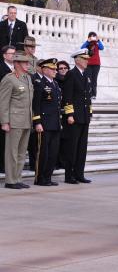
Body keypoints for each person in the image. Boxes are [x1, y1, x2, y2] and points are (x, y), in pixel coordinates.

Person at [0, 54, 33, 189]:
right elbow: (3, 102)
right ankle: (10, 180)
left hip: (26, 120)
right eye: (25, 63)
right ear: (17, 64)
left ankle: (17, 178)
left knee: (21, 152)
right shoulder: (9, 79)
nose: (27, 65)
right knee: (11, 152)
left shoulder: (28, 79)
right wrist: (4, 121)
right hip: (14, 120)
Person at [62, 49, 92, 184]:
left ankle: (79, 173)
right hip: (74, 117)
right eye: (84, 59)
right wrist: (70, 114)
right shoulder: (71, 74)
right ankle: (69, 175)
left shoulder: (85, 75)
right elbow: (67, 96)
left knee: (82, 148)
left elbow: (88, 97)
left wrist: (89, 113)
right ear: (77, 60)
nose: (87, 61)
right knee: (72, 147)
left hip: (84, 117)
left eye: (87, 59)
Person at [32, 58, 62, 186]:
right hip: (44, 123)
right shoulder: (39, 83)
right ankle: (40, 178)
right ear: (44, 69)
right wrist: (37, 122)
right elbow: (36, 105)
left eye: (56, 69)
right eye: (52, 69)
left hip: (55, 123)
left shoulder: (55, 84)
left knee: (53, 152)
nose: (55, 71)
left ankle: (48, 177)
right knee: (43, 152)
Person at [0, 46, 15, 173]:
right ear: (4, 55)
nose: (13, 56)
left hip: (15, 109)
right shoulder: (1, 68)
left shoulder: (16, 69)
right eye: (11, 53)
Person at [55, 60, 70, 170]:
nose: (63, 70)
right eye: (61, 68)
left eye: (65, 68)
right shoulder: (55, 81)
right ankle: (57, 162)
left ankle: (64, 162)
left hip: (68, 114)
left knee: (65, 140)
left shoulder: (70, 80)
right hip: (58, 114)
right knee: (57, 140)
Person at [81, 32, 104, 99]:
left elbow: (102, 48)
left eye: (94, 36)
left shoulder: (97, 44)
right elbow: (82, 48)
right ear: (89, 37)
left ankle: (94, 95)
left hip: (96, 64)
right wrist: (87, 41)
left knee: (94, 80)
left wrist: (98, 40)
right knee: (88, 79)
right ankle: (88, 93)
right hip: (88, 64)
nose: (93, 37)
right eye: (91, 36)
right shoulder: (87, 44)